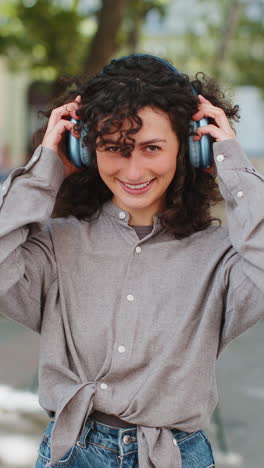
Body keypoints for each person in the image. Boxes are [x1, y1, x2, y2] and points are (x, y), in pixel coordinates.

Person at [0, 54, 263, 468]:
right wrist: (43, 170)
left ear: (192, 147)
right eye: (114, 148)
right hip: (72, 453)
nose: (133, 169)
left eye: (151, 148)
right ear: (86, 149)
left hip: (175, 456)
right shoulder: (57, 245)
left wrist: (231, 162)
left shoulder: (222, 257)